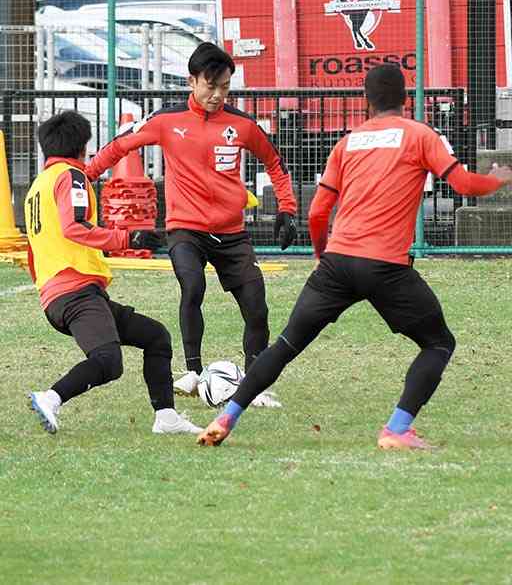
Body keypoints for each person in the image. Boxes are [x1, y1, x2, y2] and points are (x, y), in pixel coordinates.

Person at [197, 63, 512, 450]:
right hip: (385, 266)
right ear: (406, 97)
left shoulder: (349, 141)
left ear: (366, 101)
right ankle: (397, 430)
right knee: (438, 343)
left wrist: (320, 255)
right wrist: (500, 175)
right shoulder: (419, 135)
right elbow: (464, 183)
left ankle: (226, 417)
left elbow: (317, 212)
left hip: (337, 263)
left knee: (284, 345)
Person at [86, 42, 297, 406]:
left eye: (225, 87)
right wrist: (82, 175)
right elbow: (119, 146)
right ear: (192, 81)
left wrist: (287, 210)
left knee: (257, 305)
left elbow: (275, 164)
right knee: (193, 286)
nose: (217, 95)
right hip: (186, 228)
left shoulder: (242, 125)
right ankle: (194, 372)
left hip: (232, 232)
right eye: (210, 86)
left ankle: (254, 383)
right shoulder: (166, 121)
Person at [26, 111, 202, 436]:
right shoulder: (71, 176)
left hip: (63, 292)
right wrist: (127, 237)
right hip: (74, 290)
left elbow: (32, 249)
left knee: (156, 337)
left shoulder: (38, 186)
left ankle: (166, 417)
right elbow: (74, 226)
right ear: (82, 147)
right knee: (108, 361)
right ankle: (50, 397)